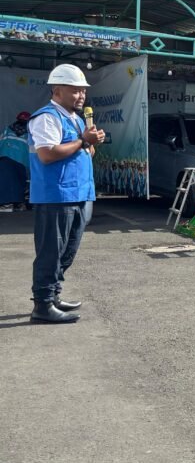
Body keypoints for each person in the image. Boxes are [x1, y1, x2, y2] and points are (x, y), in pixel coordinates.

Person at [26, 64, 105, 323]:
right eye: (75, 91)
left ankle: (54, 295)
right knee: (51, 251)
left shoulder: (77, 119)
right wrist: (83, 141)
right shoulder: (47, 117)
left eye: (83, 91)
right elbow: (47, 154)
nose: (81, 96)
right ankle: (42, 305)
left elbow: (85, 153)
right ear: (57, 90)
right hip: (56, 196)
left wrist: (91, 143)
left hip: (80, 194)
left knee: (67, 252)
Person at [0, 110, 31, 208]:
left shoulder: (7, 130)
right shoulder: (31, 134)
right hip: (21, 164)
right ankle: (12, 202)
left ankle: (8, 202)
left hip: (4, 160)